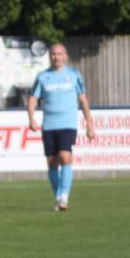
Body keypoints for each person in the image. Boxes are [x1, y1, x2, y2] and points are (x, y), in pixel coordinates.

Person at [26, 43, 96, 211]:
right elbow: (33, 98)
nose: (56, 57)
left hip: (68, 124)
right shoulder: (43, 77)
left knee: (65, 157)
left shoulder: (74, 75)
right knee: (51, 162)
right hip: (49, 125)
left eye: (59, 54)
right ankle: (59, 197)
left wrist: (89, 123)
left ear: (65, 56)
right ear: (50, 56)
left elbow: (83, 100)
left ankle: (64, 196)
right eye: (53, 54)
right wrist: (31, 118)